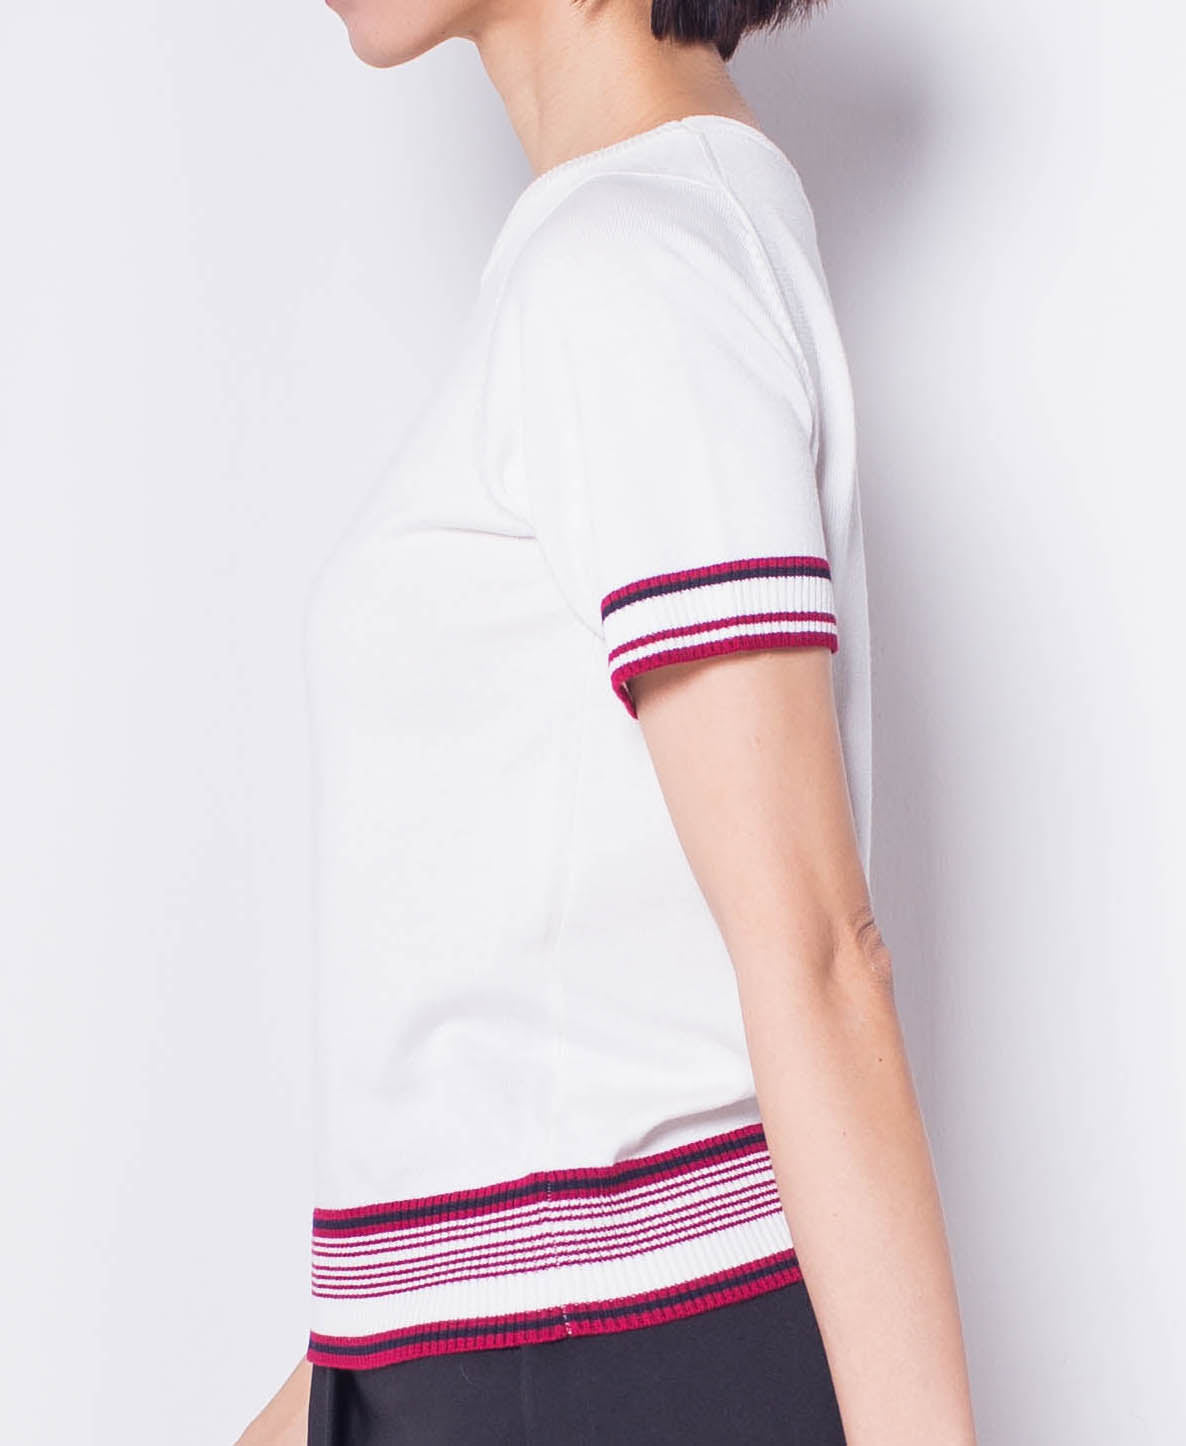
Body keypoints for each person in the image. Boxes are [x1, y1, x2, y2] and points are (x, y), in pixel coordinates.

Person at [237, 1, 979, 1442]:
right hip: (514, 1352)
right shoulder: (626, 254)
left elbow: (818, 953)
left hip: (612, 1356)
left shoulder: (633, 268)